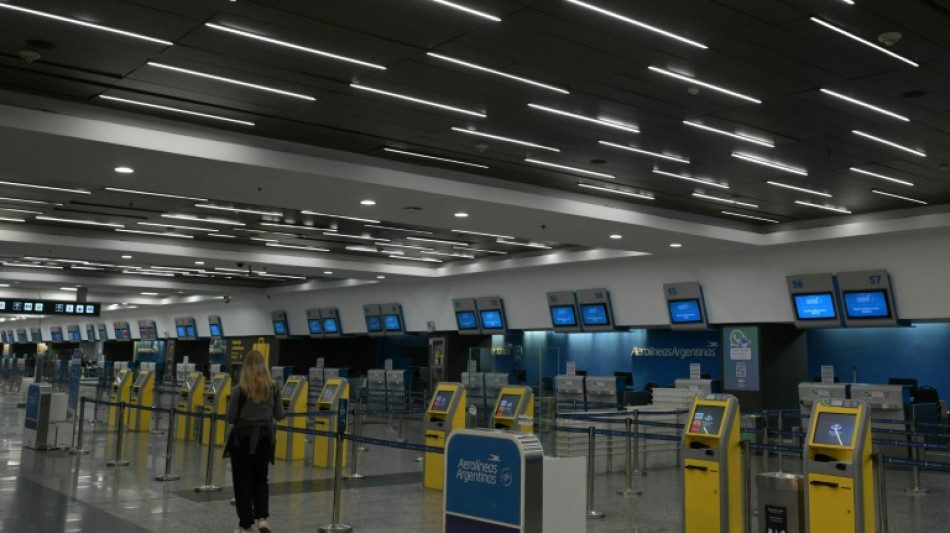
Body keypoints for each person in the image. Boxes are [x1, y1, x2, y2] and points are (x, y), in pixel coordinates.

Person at [224, 350, 284, 533]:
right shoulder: (273, 388)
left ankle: (245, 524)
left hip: (242, 440)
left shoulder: (239, 390)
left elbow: (230, 418)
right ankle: (262, 519)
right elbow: (279, 415)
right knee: (261, 478)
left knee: (242, 481)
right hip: (265, 439)